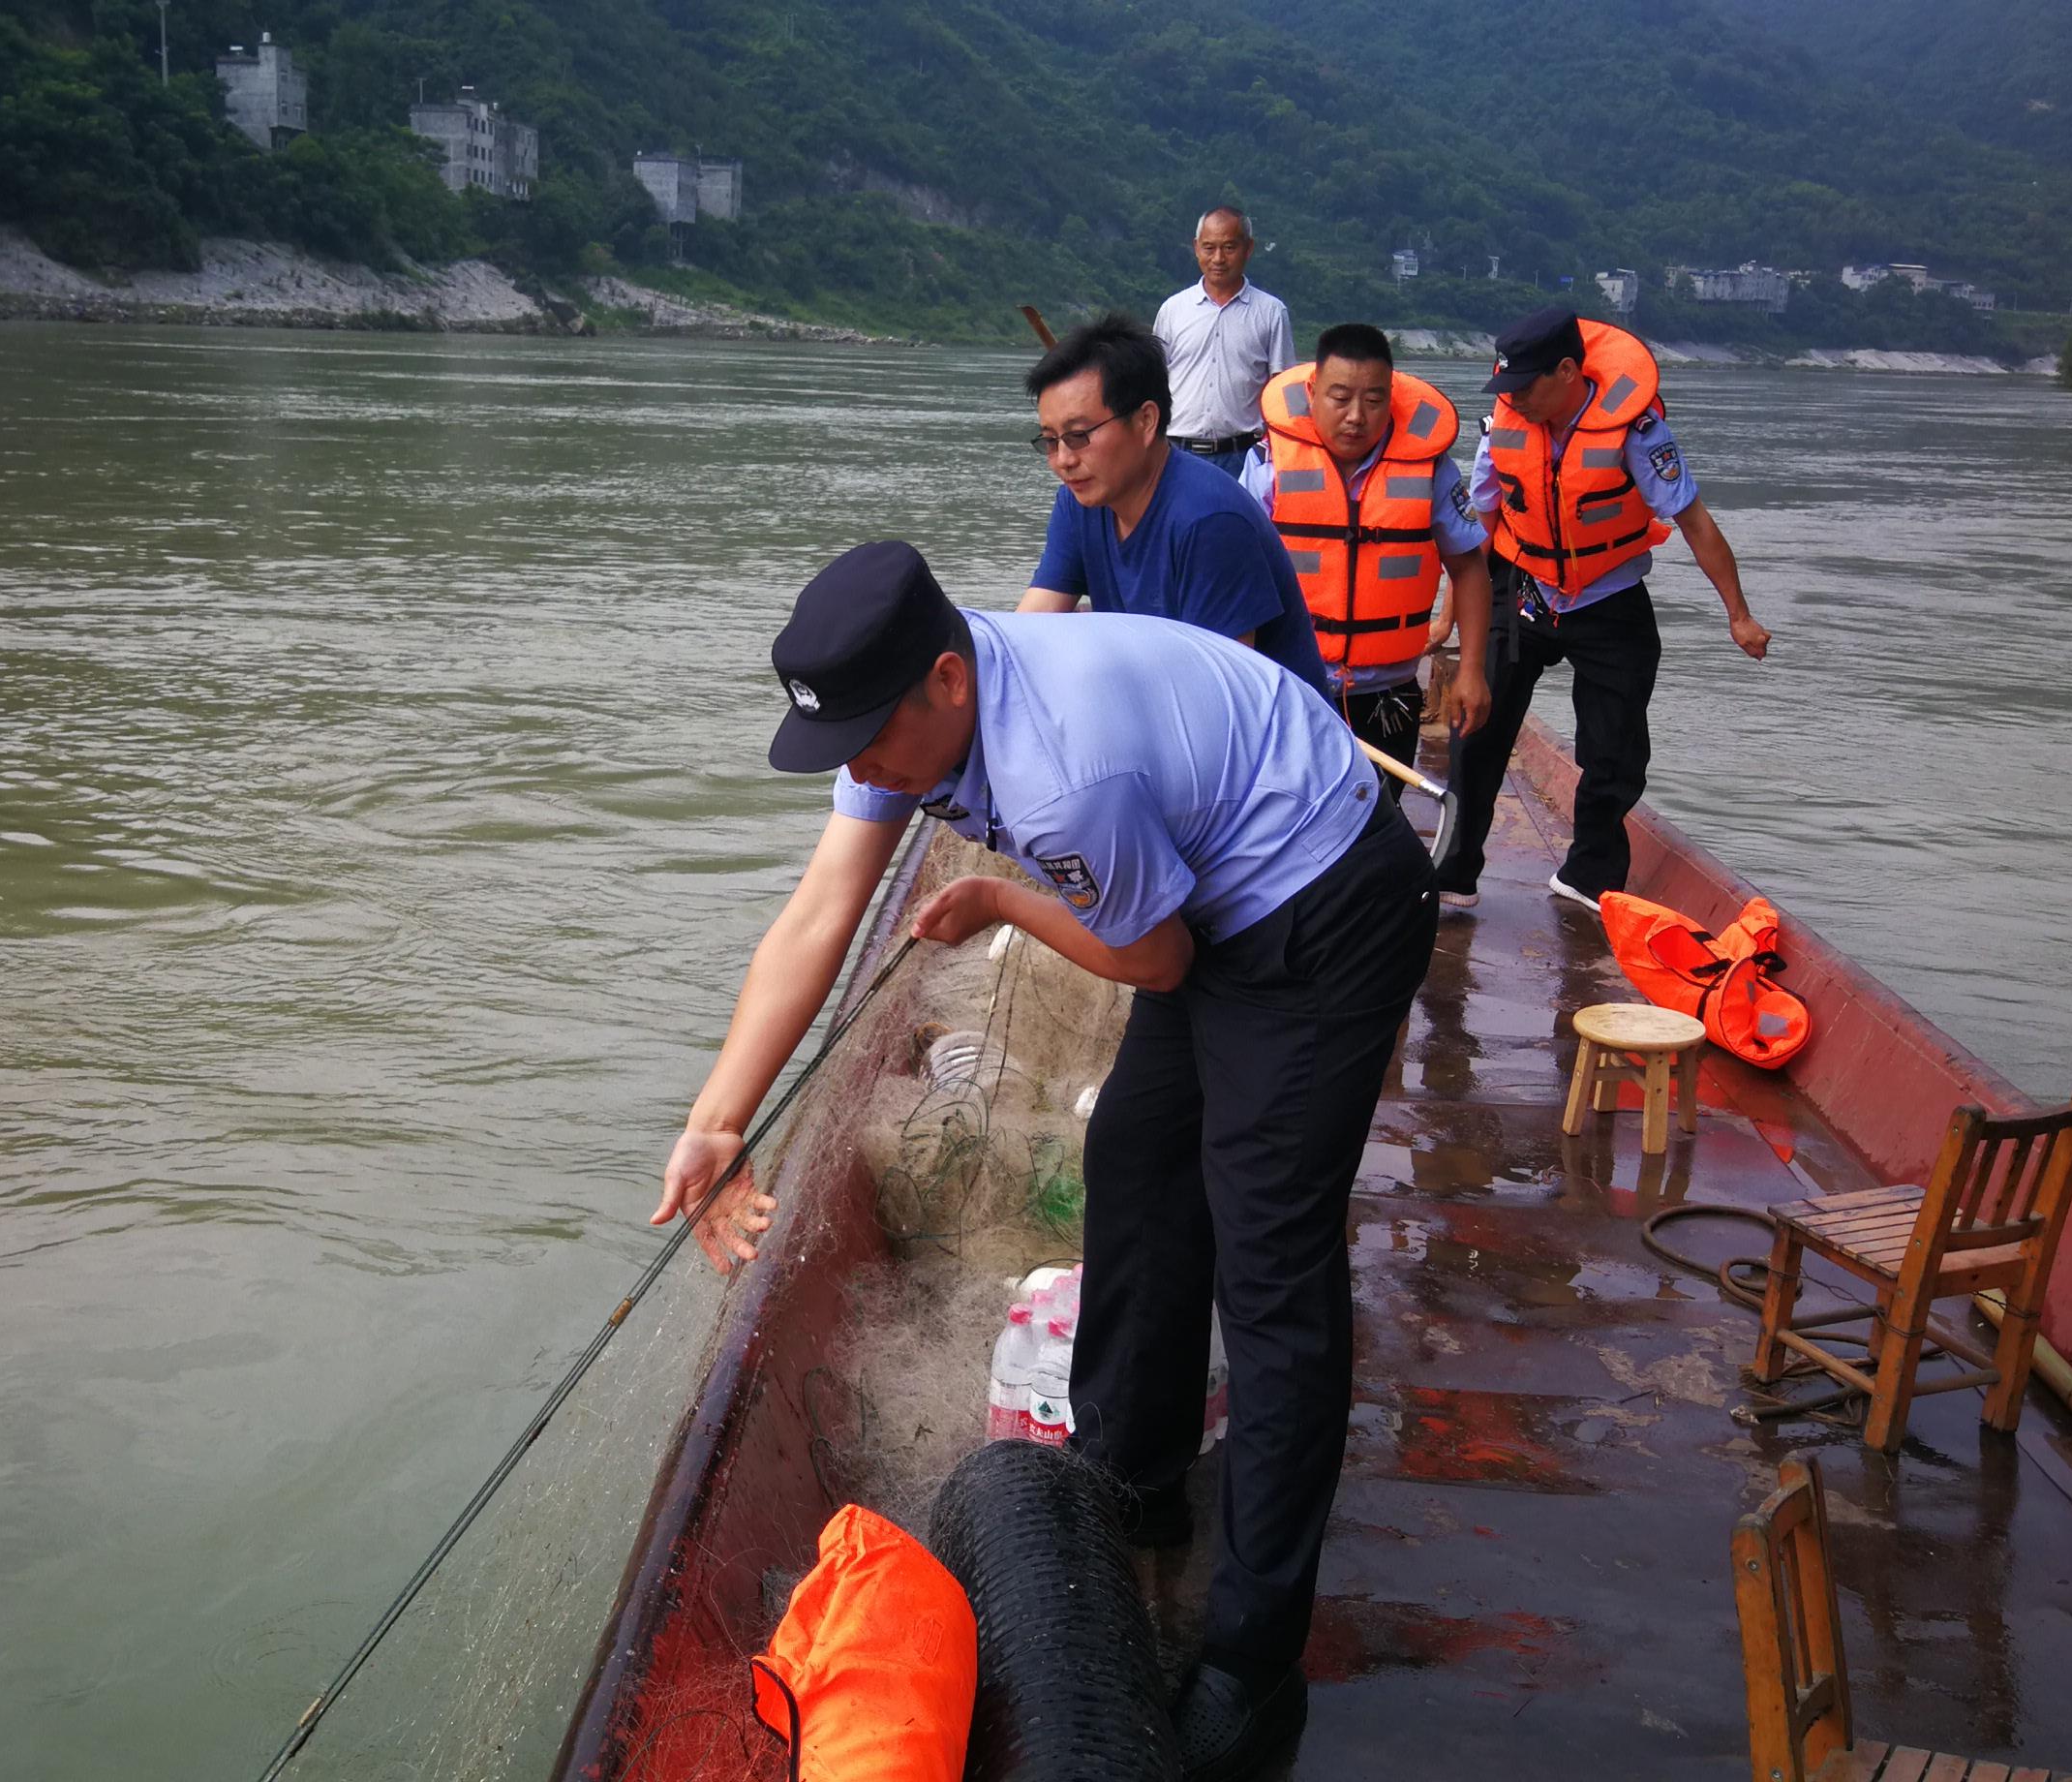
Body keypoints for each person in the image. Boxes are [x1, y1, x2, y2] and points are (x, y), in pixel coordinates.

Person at [650, 541, 1436, 1781]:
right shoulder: (907, 717)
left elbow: (1160, 963)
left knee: (1271, 1261)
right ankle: (1135, 1469)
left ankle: (1254, 1654)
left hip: (1322, 903)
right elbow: (818, 910)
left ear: (947, 681)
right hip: (1212, 886)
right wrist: (716, 1115)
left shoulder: (1062, 772)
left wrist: (1008, 903)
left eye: (866, 739)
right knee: (1135, 1155)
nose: (858, 771)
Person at [1437, 304, 1772, 912]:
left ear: (1567, 372)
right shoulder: (1503, 429)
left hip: (1609, 599)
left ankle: (1589, 876)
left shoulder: (1638, 433)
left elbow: (1693, 520)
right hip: (1522, 589)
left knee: (1614, 749)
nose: (1515, 398)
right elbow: (1477, 526)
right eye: (1507, 385)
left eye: (1526, 384)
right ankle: (1455, 871)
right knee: (1474, 730)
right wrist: (1453, 613)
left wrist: (1738, 614)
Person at [1020, 316, 1332, 699]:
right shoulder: (1079, 501)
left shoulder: (1209, 522)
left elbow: (1221, 698)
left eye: (1079, 436)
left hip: (1265, 739)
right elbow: (1034, 623)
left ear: (1146, 421)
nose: (1063, 460)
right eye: (1051, 441)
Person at [1242, 323, 1496, 769]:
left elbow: (1469, 567)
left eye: (1374, 400)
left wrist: (1472, 669)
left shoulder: (1430, 470)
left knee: (1380, 823)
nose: (1356, 416)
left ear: (1390, 399)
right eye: (1340, 398)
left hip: (1388, 694)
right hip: (1290, 683)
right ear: (1313, 390)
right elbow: (1233, 574)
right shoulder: (1267, 466)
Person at [1151, 206, 1292, 481]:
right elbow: (1152, 380)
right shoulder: (1173, 310)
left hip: (1244, 455)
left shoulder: (1271, 313)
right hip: (1177, 453)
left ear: (1248, 249)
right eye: (1209, 247)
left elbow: (1282, 390)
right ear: (1196, 248)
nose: (1218, 258)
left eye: (1229, 247)